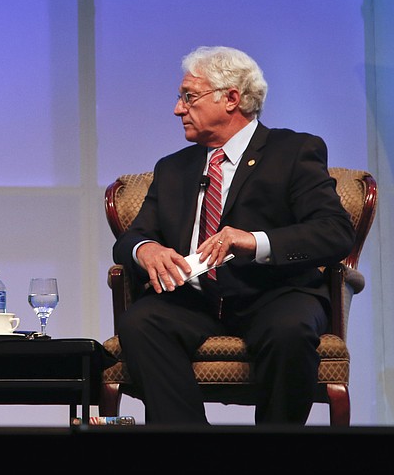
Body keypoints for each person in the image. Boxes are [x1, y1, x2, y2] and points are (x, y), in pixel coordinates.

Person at [113, 46, 355, 425]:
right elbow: (131, 238)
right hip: (194, 301)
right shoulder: (173, 168)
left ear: (231, 98)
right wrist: (147, 250)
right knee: (139, 322)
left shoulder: (293, 152)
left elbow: (335, 231)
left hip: (274, 295)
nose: (178, 109)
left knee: (289, 332)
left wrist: (254, 241)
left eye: (188, 97)